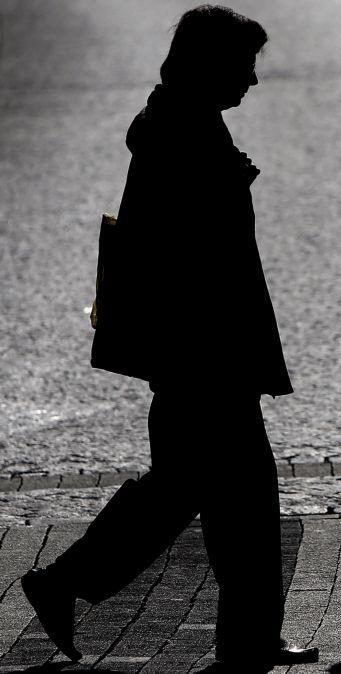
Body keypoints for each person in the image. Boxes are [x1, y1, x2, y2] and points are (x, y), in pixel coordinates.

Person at [20, 6, 316, 671]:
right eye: (244, 66)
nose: (253, 81)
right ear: (208, 64)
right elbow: (189, 256)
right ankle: (243, 641)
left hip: (200, 353)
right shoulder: (180, 136)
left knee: (188, 492)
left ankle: (71, 584)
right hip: (205, 354)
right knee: (235, 500)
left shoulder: (184, 124)